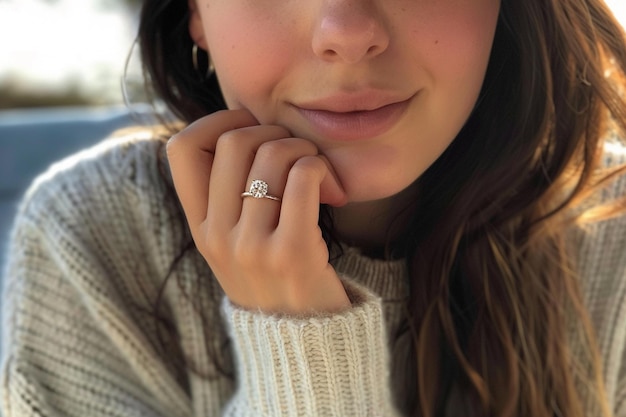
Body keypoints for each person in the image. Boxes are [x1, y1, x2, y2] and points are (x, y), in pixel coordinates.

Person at [2, 0, 626, 415]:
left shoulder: (612, 233)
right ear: (194, 11)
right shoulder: (96, 241)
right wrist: (301, 347)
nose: (348, 34)